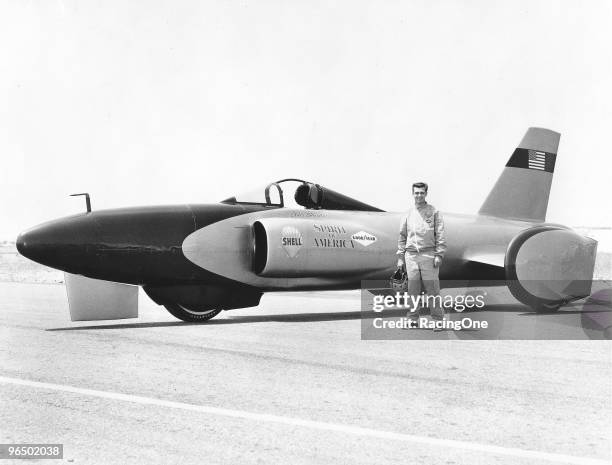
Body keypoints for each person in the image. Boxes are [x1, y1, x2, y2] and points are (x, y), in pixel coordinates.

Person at [397, 182, 447, 327]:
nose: (419, 195)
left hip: (429, 255)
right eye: (416, 193)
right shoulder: (407, 213)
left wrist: (439, 255)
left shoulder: (434, 212)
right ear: (413, 194)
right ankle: (413, 319)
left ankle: (438, 320)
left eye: (421, 192)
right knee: (413, 290)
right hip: (411, 256)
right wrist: (400, 257)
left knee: (432, 290)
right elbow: (402, 235)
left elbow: (440, 234)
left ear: (426, 194)